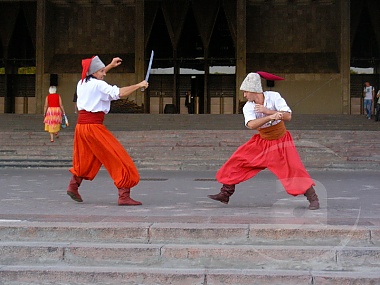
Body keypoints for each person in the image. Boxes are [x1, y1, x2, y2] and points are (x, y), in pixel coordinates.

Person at [207, 72, 320, 210]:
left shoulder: (274, 97)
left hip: (281, 141)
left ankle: (313, 199)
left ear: (254, 90)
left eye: (246, 92)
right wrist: (270, 116)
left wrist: (267, 111)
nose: (244, 95)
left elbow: (288, 116)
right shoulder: (248, 106)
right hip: (262, 141)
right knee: (238, 160)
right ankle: (225, 194)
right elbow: (251, 125)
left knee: (294, 168)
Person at [66, 55, 149, 206]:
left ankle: (73, 185)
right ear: (95, 72)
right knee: (117, 157)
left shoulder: (82, 82)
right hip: (93, 127)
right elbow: (120, 93)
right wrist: (139, 85)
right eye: (102, 71)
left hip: (81, 127)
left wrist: (110, 65)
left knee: (86, 158)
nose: (104, 74)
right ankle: (124, 195)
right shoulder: (99, 85)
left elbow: (96, 75)